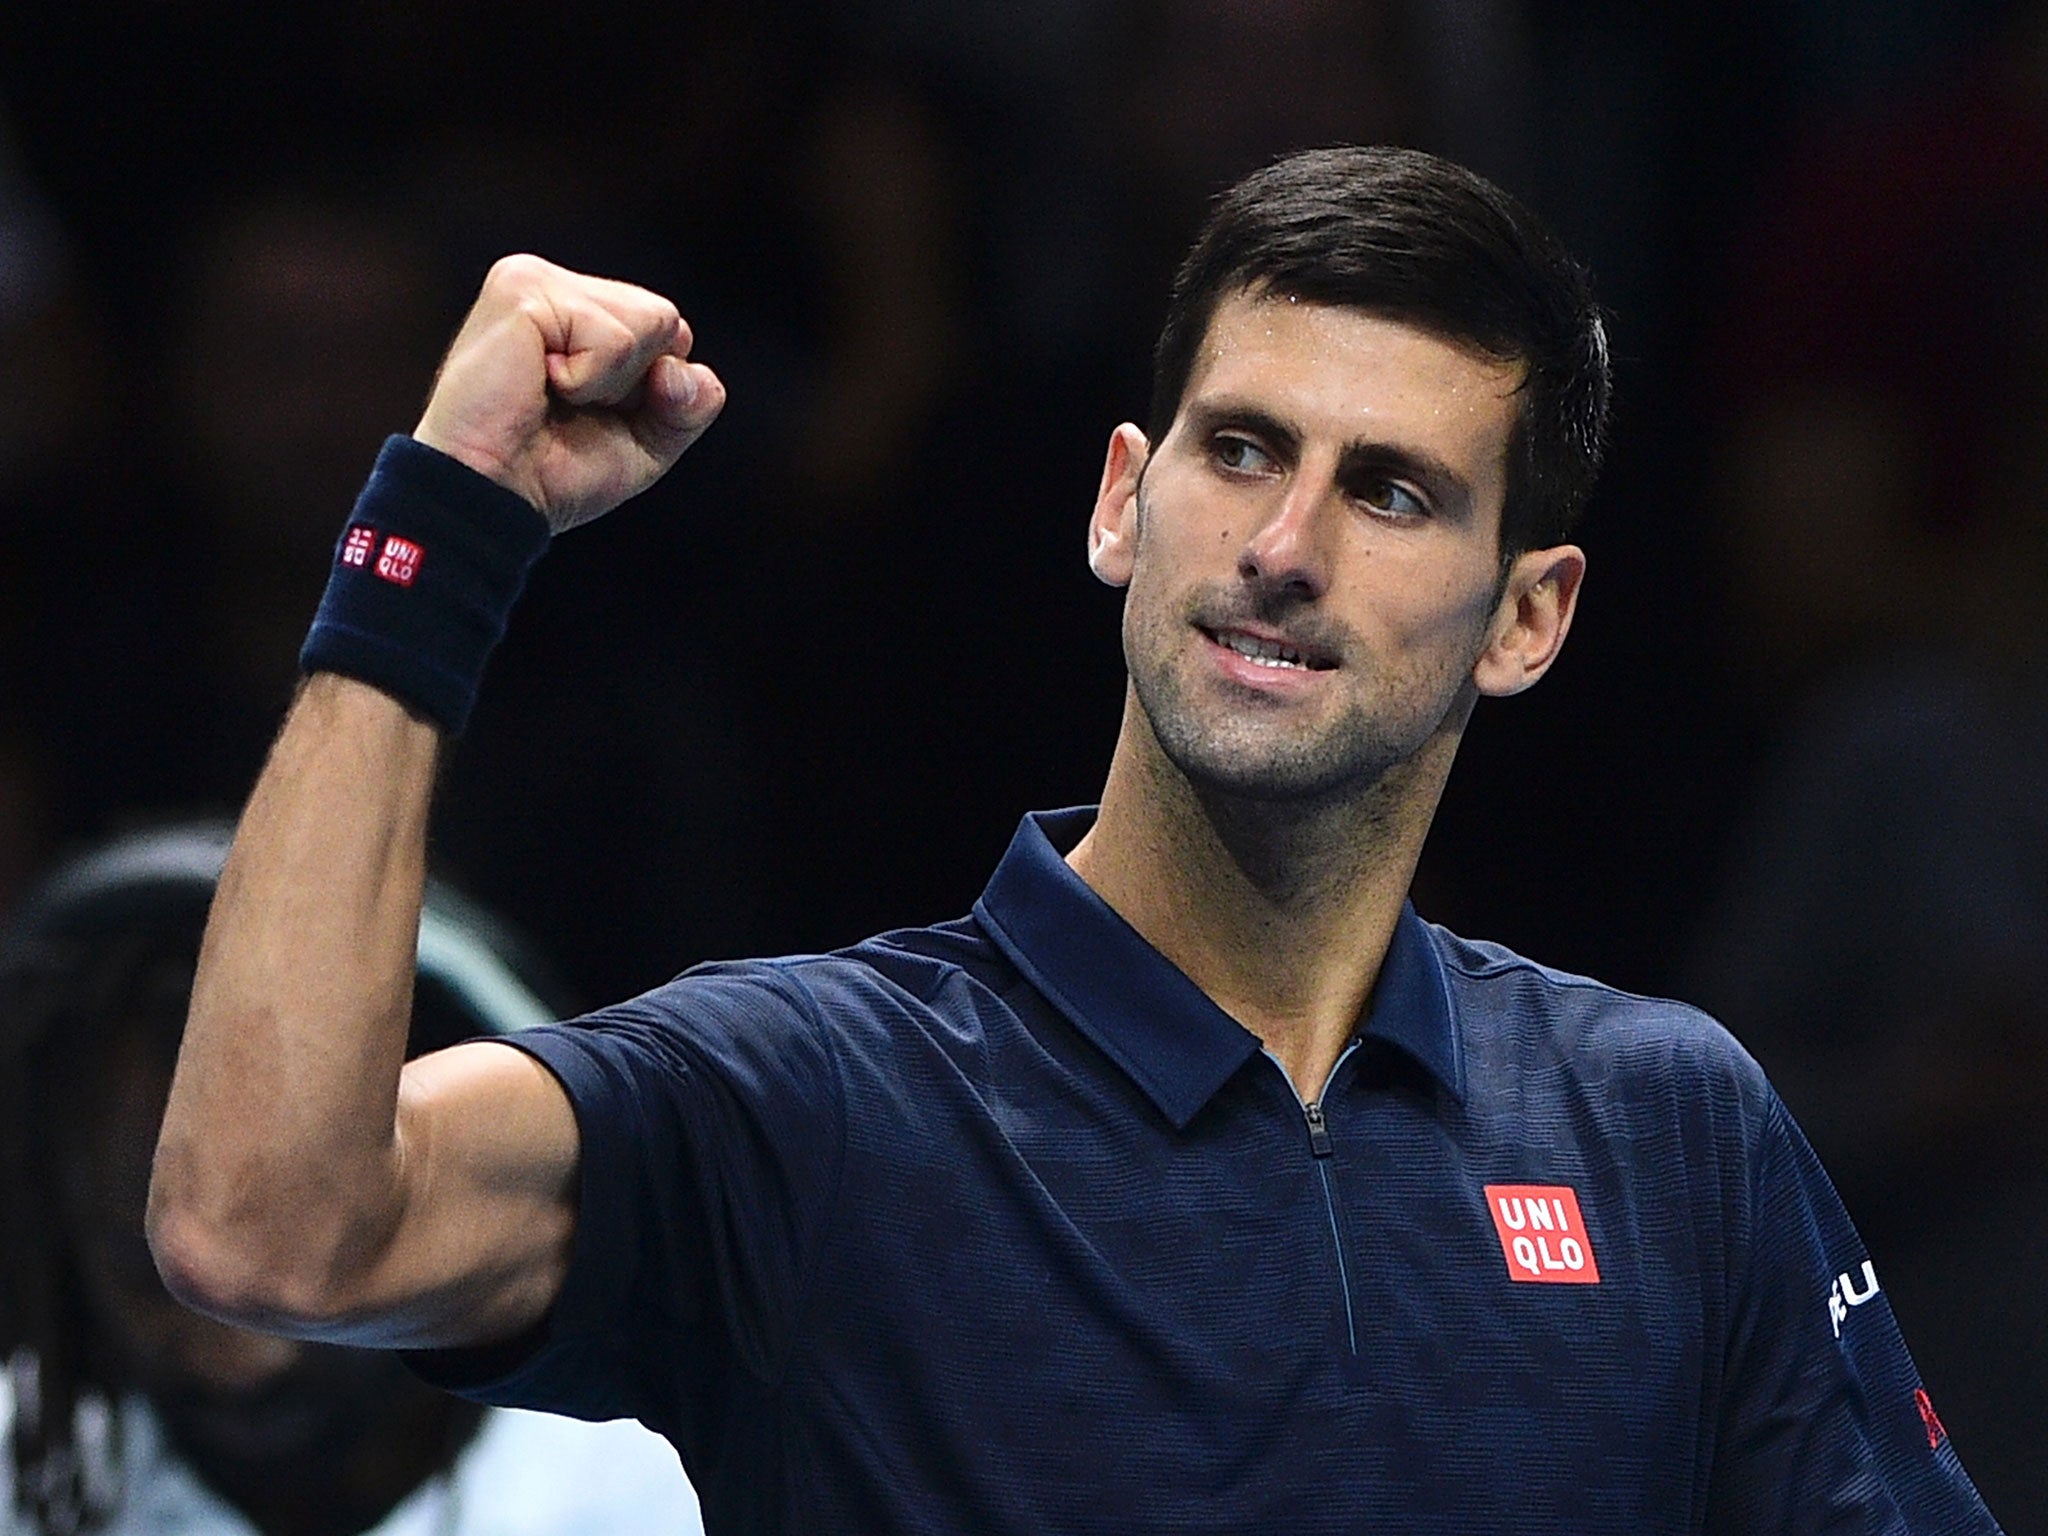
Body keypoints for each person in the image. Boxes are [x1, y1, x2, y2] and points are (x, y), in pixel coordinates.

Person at [143, 146, 2003, 1531]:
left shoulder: (1666, 1125)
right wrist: (436, 541)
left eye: (1391, 491)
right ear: (1125, 500)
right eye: (1241, 450)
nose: (1283, 544)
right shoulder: (813, 1098)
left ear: (1527, 617)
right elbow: (268, 1223)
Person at [0, 824, 703, 1535]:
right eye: (148, 1272)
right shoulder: (21, 1475)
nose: (243, 1363)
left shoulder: (675, 1486)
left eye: (309, 1252)